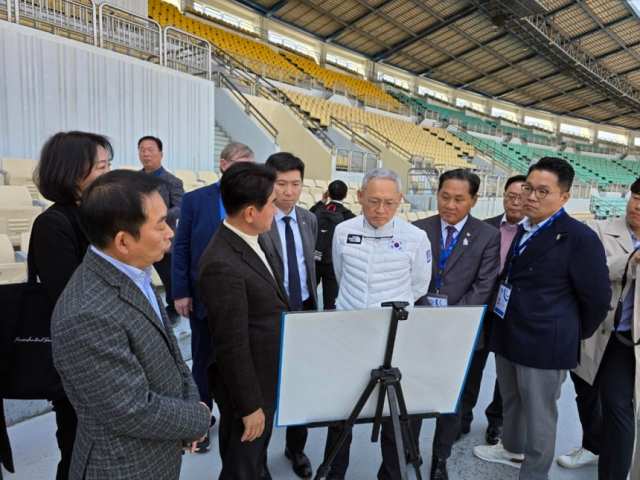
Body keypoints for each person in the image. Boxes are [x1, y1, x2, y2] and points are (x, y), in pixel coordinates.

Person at [51, 170, 211, 479]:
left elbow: (172, 354)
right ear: (123, 241)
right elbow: (131, 408)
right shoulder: (86, 313)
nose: (170, 233)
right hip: (124, 466)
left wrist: (192, 404)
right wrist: (197, 418)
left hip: (159, 453)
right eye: (160, 224)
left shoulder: (133, 269)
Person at [473, 157, 611, 480]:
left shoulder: (578, 237)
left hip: (544, 343)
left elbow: (597, 299)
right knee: (512, 402)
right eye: (528, 189)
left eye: (542, 192)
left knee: (540, 417)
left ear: (564, 197)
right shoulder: (522, 229)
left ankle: (534, 474)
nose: (530, 197)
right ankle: (511, 448)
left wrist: (568, 332)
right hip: (509, 333)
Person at [324, 167, 432, 480]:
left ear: (400, 201)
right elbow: (341, 274)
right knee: (341, 411)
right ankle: (334, 472)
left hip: (393, 337)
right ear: (359, 197)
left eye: (389, 202)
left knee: (395, 416)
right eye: (372, 201)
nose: (380, 210)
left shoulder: (415, 238)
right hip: (348, 333)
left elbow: (418, 286)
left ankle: (392, 474)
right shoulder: (343, 231)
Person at [197, 162, 290, 480]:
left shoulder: (255, 238)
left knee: (255, 460)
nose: (276, 211)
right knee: (241, 468)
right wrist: (250, 407)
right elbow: (231, 344)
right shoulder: (221, 263)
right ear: (250, 212)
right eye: (272, 204)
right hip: (246, 389)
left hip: (265, 374)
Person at [29, 131, 113, 480]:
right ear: (71, 172)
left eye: (109, 165)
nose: (109, 174)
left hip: (110, 353)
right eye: (101, 167)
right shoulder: (53, 224)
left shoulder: (102, 216)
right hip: (82, 362)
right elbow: (74, 299)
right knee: (80, 453)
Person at [411, 169, 501, 480]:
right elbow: (408, 279)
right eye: (444, 196)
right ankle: (410, 449)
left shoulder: (488, 236)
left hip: (459, 333)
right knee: (414, 393)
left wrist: (449, 323)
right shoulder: (417, 229)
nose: (450, 204)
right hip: (419, 327)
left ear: (474, 200)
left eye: (459, 199)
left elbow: (483, 286)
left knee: (451, 399)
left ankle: (440, 458)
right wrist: (426, 316)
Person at [172, 142, 254, 452]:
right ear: (223, 164)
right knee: (203, 361)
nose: (245, 171)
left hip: (243, 297)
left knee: (240, 360)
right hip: (202, 297)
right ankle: (201, 424)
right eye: (240, 164)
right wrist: (180, 291)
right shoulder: (195, 200)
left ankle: (240, 415)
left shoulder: (254, 200)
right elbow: (181, 248)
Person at [558, 179, 640, 479]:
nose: (638, 205)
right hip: (591, 333)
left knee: (620, 410)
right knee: (586, 396)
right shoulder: (597, 229)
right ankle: (592, 446)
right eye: (636, 197)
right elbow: (589, 270)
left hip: (627, 340)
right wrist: (631, 259)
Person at [457, 174, 527, 447]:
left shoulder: (533, 233)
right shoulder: (483, 228)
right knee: (472, 366)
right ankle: (462, 419)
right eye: (511, 195)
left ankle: (496, 421)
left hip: (512, 313)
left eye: (522, 197)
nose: (516, 202)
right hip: (481, 309)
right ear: (503, 197)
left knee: (505, 372)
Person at [260, 152, 317, 478]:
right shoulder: (257, 220)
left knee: (301, 387)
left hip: (304, 312)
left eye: (296, 184)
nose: (289, 191)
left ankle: (296, 449)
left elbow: (312, 270)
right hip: (270, 315)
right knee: (267, 392)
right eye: (282, 184)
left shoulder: (309, 219)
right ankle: (259, 457)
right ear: (270, 183)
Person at [138, 135, 184, 326]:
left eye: (150, 150)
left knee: (168, 279)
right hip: (139, 237)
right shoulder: (135, 179)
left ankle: (173, 311)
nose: (145, 154)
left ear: (161, 154)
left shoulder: (172, 181)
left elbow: (180, 207)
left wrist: (157, 218)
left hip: (163, 238)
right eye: (142, 149)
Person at [310, 180, 356, 310]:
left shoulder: (317, 211)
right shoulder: (349, 216)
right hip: (333, 263)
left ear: (328, 194)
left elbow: (308, 216)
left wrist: (321, 202)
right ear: (346, 195)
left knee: (310, 296)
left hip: (314, 259)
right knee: (330, 302)